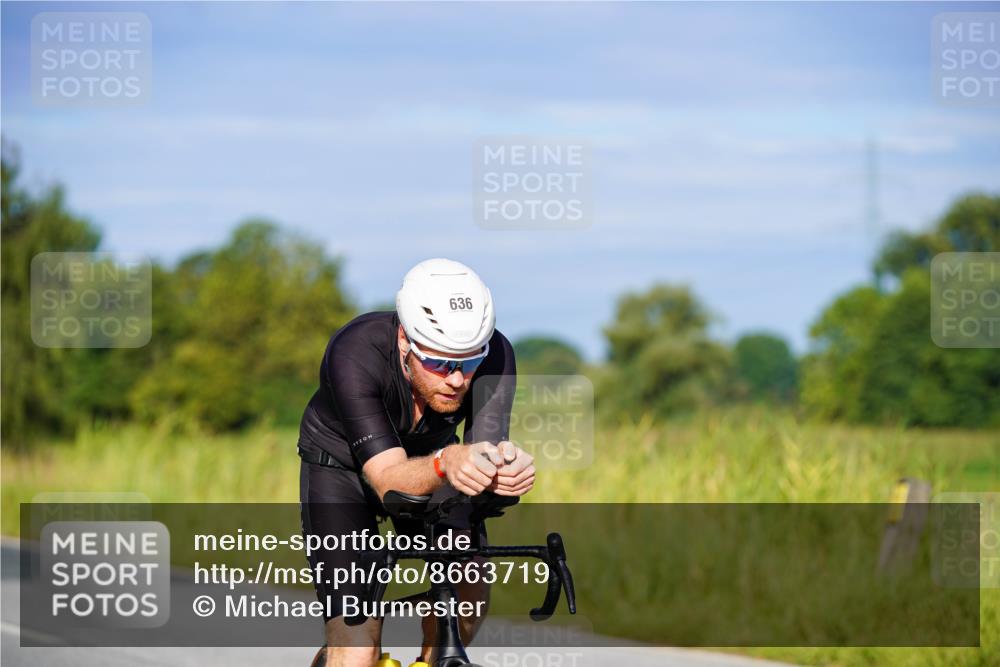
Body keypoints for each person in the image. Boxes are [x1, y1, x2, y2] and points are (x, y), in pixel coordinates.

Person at [297, 258, 535, 667]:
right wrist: (447, 462)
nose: (457, 379)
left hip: (435, 462)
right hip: (342, 471)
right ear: (406, 342)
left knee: (468, 586)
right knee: (357, 646)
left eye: (469, 362)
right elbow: (389, 480)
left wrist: (504, 470)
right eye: (441, 363)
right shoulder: (355, 352)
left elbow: (481, 454)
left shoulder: (496, 356)